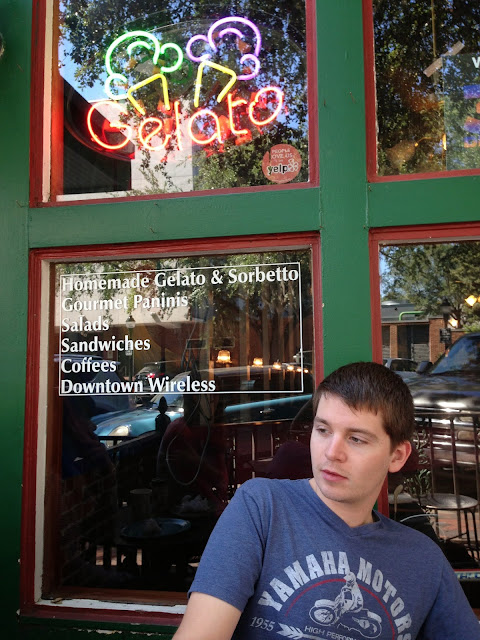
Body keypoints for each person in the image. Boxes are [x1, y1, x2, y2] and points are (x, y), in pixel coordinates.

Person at [173, 362, 480, 640]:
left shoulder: (423, 560)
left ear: (397, 455)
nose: (332, 452)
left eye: (356, 438)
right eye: (323, 430)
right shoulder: (262, 508)